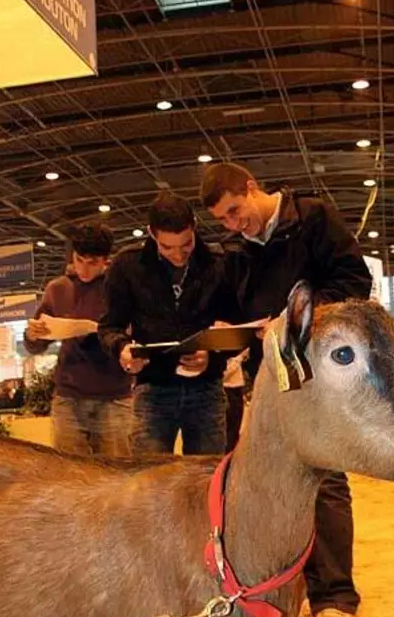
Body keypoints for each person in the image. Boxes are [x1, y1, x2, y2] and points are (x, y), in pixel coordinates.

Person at [201, 161, 372, 617]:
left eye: (237, 212)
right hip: (271, 378)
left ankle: (336, 597)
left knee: (327, 480)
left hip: (319, 371)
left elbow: (355, 283)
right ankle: (287, 590)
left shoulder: (314, 218)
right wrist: (224, 333)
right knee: (279, 485)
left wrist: (293, 316)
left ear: (252, 187)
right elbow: (237, 311)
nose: (235, 225)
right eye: (225, 222)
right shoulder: (239, 251)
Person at [99, 192, 236, 457]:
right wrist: (123, 350)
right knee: (148, 481)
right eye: (167, 247)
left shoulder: (221, 264)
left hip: (207, 391)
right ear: (151, 234)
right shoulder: (127, 266)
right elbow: (109, 327)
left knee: (205, 480)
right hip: (153, 391)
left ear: (194, 227)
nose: (178, 255)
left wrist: (214, 354)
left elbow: (237, 326)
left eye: (186, 245)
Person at [24, 224, 131, 459]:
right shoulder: (57, 289)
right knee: (69, 476)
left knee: (117, 474)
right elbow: (35, 345)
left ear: (106, 260)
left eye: (92, 263)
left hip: (114, 396)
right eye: (79, 259)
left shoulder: (120, 288)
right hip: (68, 396)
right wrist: (33, 334)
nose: (84, 268)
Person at [223, 351, 247, 453]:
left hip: (236, 390)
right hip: (227, 390)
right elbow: (223, 373)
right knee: (228, 435)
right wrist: (240, 357)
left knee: (234, 433)